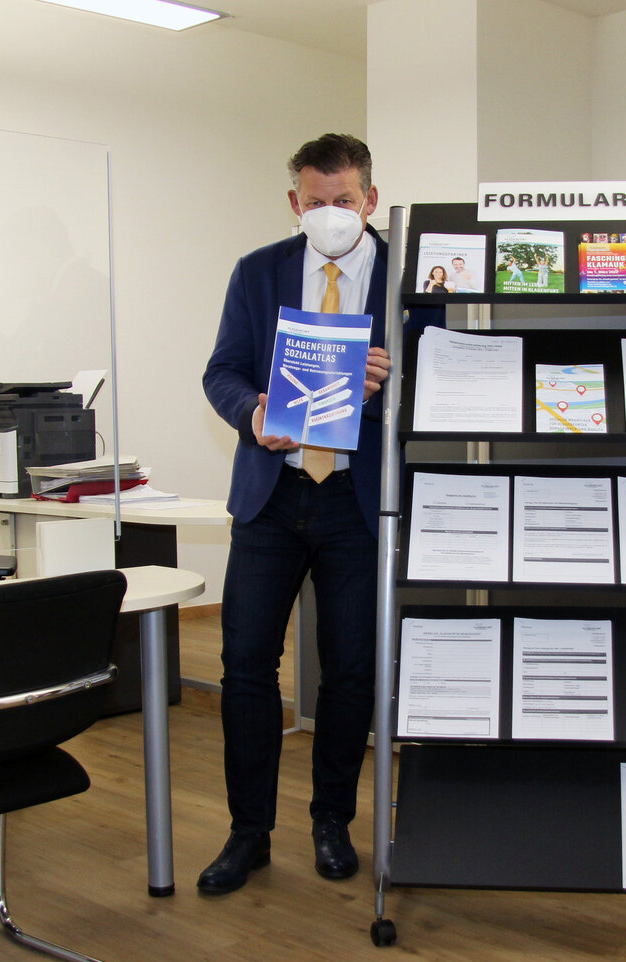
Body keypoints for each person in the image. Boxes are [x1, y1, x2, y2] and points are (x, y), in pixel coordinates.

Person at [199, 133, 434, 895]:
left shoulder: (411, 275)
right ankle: (248, 832)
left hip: (357, 500)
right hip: (273, 494)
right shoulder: (258, 270)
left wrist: (391, 384)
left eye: (345, 200)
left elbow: (447, 378)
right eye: (315, 201)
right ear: (294, 203)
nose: (330, 213)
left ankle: (332, 820)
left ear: (371, 199)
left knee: (351, 670)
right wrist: (252, 410)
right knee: (245, 667)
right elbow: (222, 371)